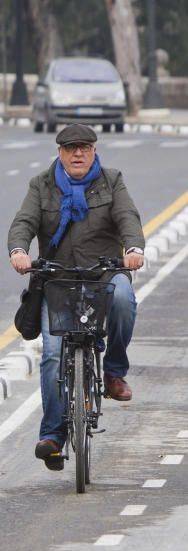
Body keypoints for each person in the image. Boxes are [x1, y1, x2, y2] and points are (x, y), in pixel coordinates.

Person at [8, 123, 145, 470]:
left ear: (95, 151)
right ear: (60, 153)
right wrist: (19, 251)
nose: (78, 154)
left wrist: (133, 248)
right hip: (57, 278)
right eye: (71, 149)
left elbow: (127, 216)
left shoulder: (112, 180)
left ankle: (113, 373)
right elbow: (23, 221)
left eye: (85, 147)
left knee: (124, 299)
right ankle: (52, 434)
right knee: (53, 355)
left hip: (103, 273)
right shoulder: (41, 184)